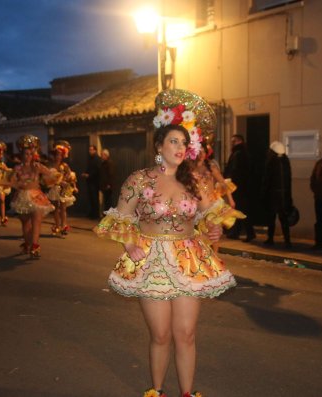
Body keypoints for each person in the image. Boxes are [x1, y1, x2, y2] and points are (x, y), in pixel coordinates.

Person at [95, 89, 241, 397]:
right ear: (159, 145)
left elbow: (211, 215)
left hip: (189, 259)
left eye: (184, 142)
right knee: (160, 335)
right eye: (173, 141)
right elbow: (119, 218)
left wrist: (216, 232)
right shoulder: (139, 179)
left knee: (185, 334)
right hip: (151, 262)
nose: (180, 147)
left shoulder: (194, 181)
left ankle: (187, 393)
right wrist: (129, 245)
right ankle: (157, 392)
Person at [9, 135, 57, 257]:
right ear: (22, 154)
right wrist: (18, 185)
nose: (29, 156)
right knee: (26, 224)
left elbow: (51, 175)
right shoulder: (18, 168)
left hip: (36, 196)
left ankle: (35, 246)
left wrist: (52, 177)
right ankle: (28, 244)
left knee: (37, 221)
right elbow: (11, 181)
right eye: (26, 154)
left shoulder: (37, 166)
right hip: (23, 197)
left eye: (31, 154)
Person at [190, 140, 241, 253]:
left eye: (203, 152)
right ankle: (203, 256)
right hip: (198, 204)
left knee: (213, 232)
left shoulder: (211, 167)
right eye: (199, 151)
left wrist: (231, 199)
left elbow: (223, 183)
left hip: (212, 204)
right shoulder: (190, 168)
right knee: (200, 232)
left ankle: (216, 258)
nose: (201, 154)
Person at [223, 134, 255, 241]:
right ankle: (238, 232)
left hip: (238, 187)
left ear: (239, 141)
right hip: (242, 186)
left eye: (234, 141)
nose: (232, 143)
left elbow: (235, 170)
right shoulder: (242, 152)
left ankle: (248, 233)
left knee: (241, 210)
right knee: (239, 209)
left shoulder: (238, 153)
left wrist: (229, 180)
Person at [261, 141, 293, 248]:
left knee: (271, 217)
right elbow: (288, 180)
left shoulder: (271, 162)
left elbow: (267, 179)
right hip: (284, 194)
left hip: (273, 195)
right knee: (283, 218)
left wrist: (264, 192)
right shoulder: (285, 161)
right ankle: (287, 239)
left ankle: (270, 238)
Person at [47, 142, 77, 237]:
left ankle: (64, 226)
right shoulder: (51, 165)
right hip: (55, 188)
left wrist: (74, 186)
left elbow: (71, 175)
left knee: (63, 208)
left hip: (64, 189)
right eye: (57, 155)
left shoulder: (65, 165)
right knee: (56, 208)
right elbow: (48, 178)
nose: (58, 157)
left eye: (60, 155)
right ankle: (57, 225)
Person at [81, 144, 101, 219]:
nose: (90, 151)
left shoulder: (97, 159)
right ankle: (92, 213)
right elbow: (89, 168)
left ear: (95, 150)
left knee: (94, 198)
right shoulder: (90, 159)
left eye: (91, 150)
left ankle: (96, 214)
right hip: (90, 181)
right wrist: (85, 173)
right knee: (91, 198)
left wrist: (89, 175)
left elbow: (97, 170)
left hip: (95, 182)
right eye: (89, 150)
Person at [99, 148, 115, 214]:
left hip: (108, 186)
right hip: (104, 185)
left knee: (109, 201)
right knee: (106, 201)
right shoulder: (103, 163)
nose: (101, 156)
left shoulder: (109, 163)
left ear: (106, 155)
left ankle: (109, 215)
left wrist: (109, 184)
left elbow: (110, 174)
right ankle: (106, 214)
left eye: (102, 155)